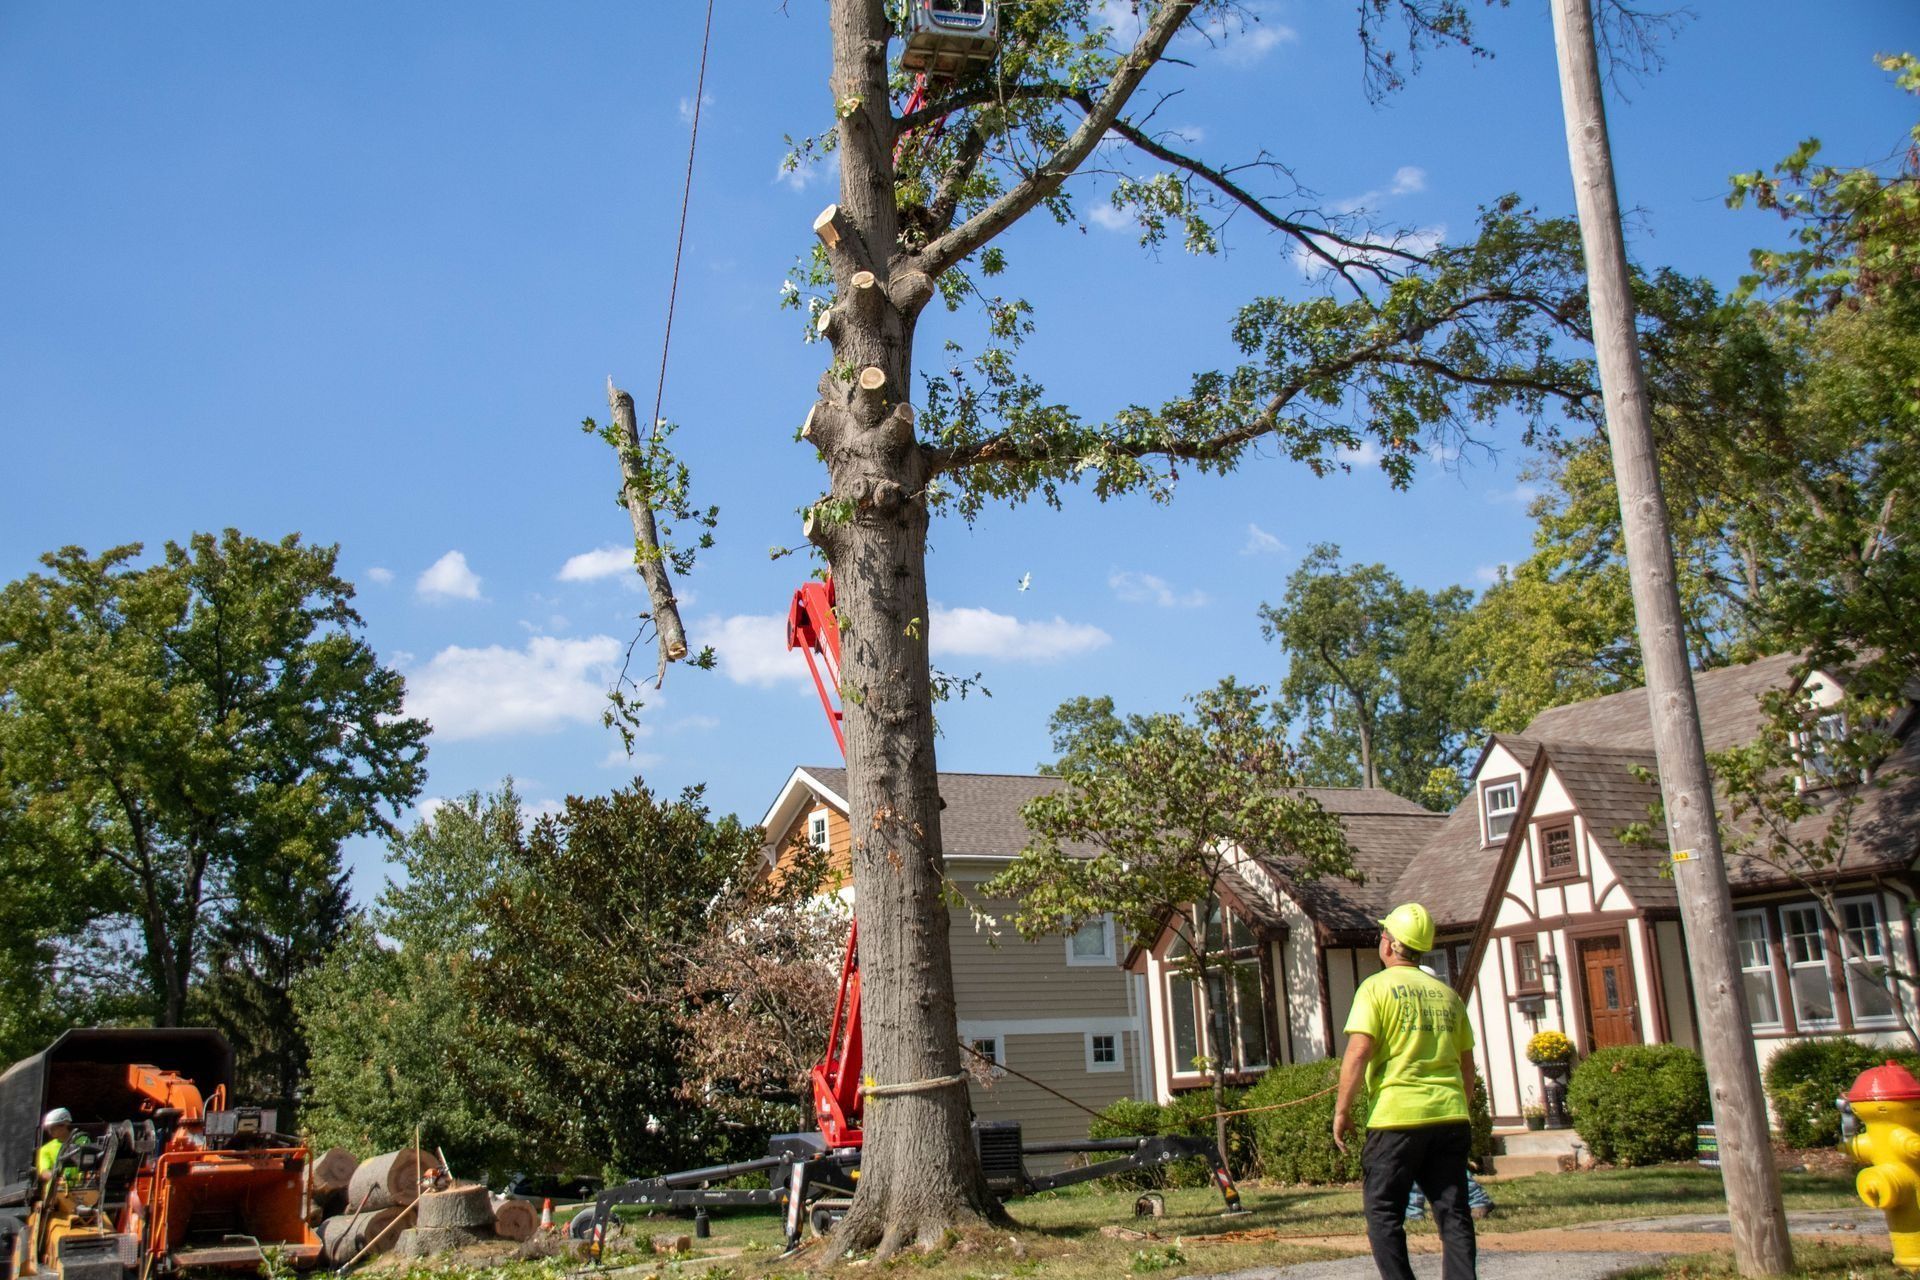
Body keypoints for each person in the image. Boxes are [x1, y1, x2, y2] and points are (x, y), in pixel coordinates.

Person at [1333, 902, 1478, 1280]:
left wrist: (1342, 1111)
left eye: (1383, 935)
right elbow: (1467, 1065)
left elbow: (1359, 1051)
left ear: (1391, 945)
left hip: (1396, 1118)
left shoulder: (1375, 988)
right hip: (1449, 1115)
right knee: (1453, 1213)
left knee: (1383, 1212)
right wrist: (1462, 1108)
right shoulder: (1447, 995)